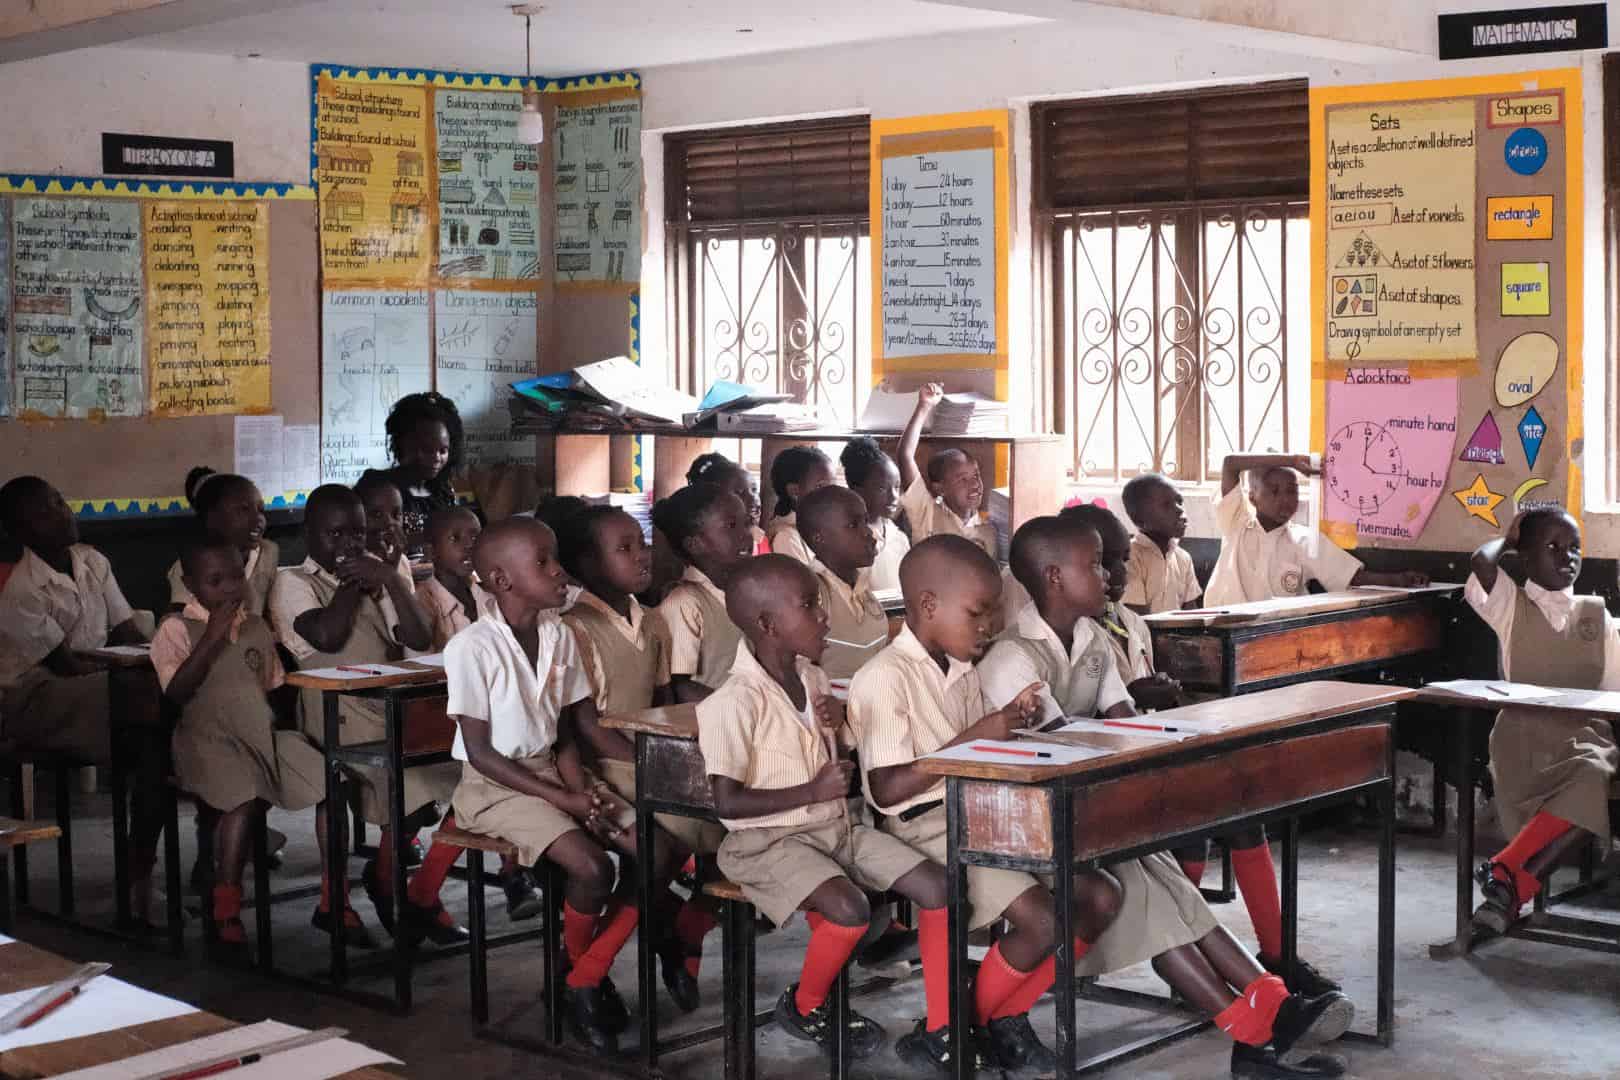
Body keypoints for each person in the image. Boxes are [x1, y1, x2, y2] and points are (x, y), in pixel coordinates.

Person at [976, 521, 1356, 1079]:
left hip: (1088, 812)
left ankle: (1272, 1008)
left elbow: (1123, 719)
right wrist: (1121, 745)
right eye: (1094, 565)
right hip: (1033, 824)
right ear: (1054, 577)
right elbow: (1063, 745)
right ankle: (1256, 1032)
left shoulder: (1094, 638)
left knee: (1171, 885)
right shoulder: (1013, 656)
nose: (1108, 576)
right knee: (1150, 899)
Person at [849, 534, 1113, 1072]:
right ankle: (962, 1024)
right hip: (924, 825)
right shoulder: (883, 677)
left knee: (1101, 896)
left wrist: (1013, 725)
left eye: (993, 613)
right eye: (977, 613)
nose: (989, 626)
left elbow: (979, 751)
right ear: (929, 606)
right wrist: (980, 735)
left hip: (980, 815)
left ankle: (985, 1016)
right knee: (1044, 922)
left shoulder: (962, 670)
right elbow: (888, 790)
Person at [697, 555, 960, 1068]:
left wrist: (842, 723)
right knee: (849, 909)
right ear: (768, 624)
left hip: (837, 829)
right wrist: (811, 791)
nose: (823, 616)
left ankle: (942, 1026)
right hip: (767, 842)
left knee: (938, 887)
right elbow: (726, 803)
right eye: (809, 605)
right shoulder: (731, 703)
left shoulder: (814, 679)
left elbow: (841, 755)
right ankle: (804, 1006)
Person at [447, 518, 665, 1053]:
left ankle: (582, 975)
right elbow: (481, 753)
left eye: (555, 558)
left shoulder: (558, 635)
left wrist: (579, 793)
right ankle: (582, 978)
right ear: (502, 579)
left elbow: (566, 733)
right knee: (592, 867)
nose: (559, 570)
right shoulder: (472, 647)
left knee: (656, 852)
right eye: (543, 562)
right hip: (496, 786)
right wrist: (563, 799)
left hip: (552, 771)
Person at [267, 484, 458, 946]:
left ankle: (390, 878)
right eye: (334, 534)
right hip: (334, 710)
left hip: (388, 703)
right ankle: (336, 900)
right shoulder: (292, 582)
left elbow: (418, 637)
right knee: (370, 785)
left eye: (356, 532)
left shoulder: (379, 575)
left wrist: (391, 578)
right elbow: (328, 636)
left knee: (450, 779)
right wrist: (354, 580)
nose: (349, 544)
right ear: (308, 534)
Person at [557, 505, 720, 1011]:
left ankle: (682, 933)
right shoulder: (574, 627)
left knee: (737, 832)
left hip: (647, 756)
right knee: (661, 850)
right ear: (588, 562)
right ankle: (589, 971)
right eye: (624, 549)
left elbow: (666, 704)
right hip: (602, 767)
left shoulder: (651, 620)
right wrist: (657, 769)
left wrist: (680, 759)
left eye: (643, 544)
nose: (642, 556)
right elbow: (586, 726)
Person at [151, 531, 324, 957]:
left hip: (257, 736)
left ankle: (334, 897)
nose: (229, 588)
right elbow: (176, 692)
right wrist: (212, 636)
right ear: (190, 585)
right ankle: (225, 905)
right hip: (204, 741)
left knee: (330, 776)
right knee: (244, 795)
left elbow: (272, 690)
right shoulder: (175, 628)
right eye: (215, 581)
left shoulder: (256, 627)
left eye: (235, 577)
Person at [0, 475, 159, 920]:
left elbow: (128, 630)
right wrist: (128, 668)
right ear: (19, 531)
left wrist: (146, 657)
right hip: (35, 698)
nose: (62, 513)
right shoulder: (20, 591)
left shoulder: (92, 561)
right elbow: (65, 667)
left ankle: (143, 871)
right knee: (143, 712)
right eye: (43, 511)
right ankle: (138, 876)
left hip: (98, 683)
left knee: (155, 734)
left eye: (58, 501)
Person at [1466, 508, 1619, 934]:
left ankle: (1509, 876)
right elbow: (1481, 562)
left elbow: (1615, 688)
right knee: (1589, 790)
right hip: (1522, 740)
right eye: (1552, 547)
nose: (1567, 556)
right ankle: (1512, 884)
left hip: (1585, 736)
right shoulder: (1510, 605)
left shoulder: (1598, 617)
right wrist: (1508, 538)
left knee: (1592, 774)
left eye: (1574, 548)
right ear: (1525, 555)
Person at [1205, 454, 1427, 607]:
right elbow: (1230, 463)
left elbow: (1352, 577)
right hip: (1222, 630)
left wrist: (1400, 579)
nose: (1285, 500)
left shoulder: (1305, 540)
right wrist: (1291, 460)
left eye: (1292, 491)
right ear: (1252, 497)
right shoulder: (1236, 522)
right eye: (1274, 491)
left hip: (1275, 635)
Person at [1061, 504, 1183, 711]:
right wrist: (1130, 697)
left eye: (1125, 559)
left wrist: (1160, 689)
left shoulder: (1133, 623)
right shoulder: (1063, 631)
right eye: (1104, 561)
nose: (1120, 571)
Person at [652, 483, 755, 702]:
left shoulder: (748, 593)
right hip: (716, 718)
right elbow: (680, 687)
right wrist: (736, 709)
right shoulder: (684, 603)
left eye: (747, 523)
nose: (746, 534)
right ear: (695, 544)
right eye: (731, 526)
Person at [795, 485, 889, 681]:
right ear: (819, 538)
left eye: (865, 521)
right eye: (853, 525)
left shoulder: (863, 590)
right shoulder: (811, 593)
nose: (868, 533)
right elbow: (800, 672)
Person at [363, 391, 465, 558]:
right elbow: (367, 542)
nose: (436, 458)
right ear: (403, 445)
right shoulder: (378, 486)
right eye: (427, 450)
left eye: (443, 450)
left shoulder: (443, 492)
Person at [898, 383, 995, 558]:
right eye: (962, 479)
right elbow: (905, 455)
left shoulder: (988, 531)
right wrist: (924, 406)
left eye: (976, 475)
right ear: (940, 488)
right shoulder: (926, 513)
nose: (974, 484)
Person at [166, 468, 278, 616]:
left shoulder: (268, 552)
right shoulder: (190, 565)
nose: (258, 519)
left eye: (261, 510)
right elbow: (179, 618)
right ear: (211, 519)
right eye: (243, 510)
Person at [1119, 473, 1203, 614]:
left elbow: (1191, 613)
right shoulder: (1130, 557)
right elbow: (1137, 618)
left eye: (1179, 501)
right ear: (1140, 520)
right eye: (1166, 505)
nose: (1180, 509)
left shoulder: (1183, 558)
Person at [840, 437, 909, 593]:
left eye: (896, 487)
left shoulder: (899, 537)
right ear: (856, 489)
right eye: (882, 489)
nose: (894, 497)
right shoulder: (849, 541)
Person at [415, 506, 484, 651]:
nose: (470, 545)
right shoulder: (423, 601)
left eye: (475, 537)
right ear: (430, 551)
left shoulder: (486, 593)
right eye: (455, 538)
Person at [764, 446, 836, 565]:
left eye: (833, 485)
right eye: (820, 486)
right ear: (794, 491)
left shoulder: (814, 527)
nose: (832, 493)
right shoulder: (785, 537)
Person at [687, 452, 768, 555]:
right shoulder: (711, 547)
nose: (753, 498)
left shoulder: (760, 539)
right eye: (738, 492)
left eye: (754, 489)